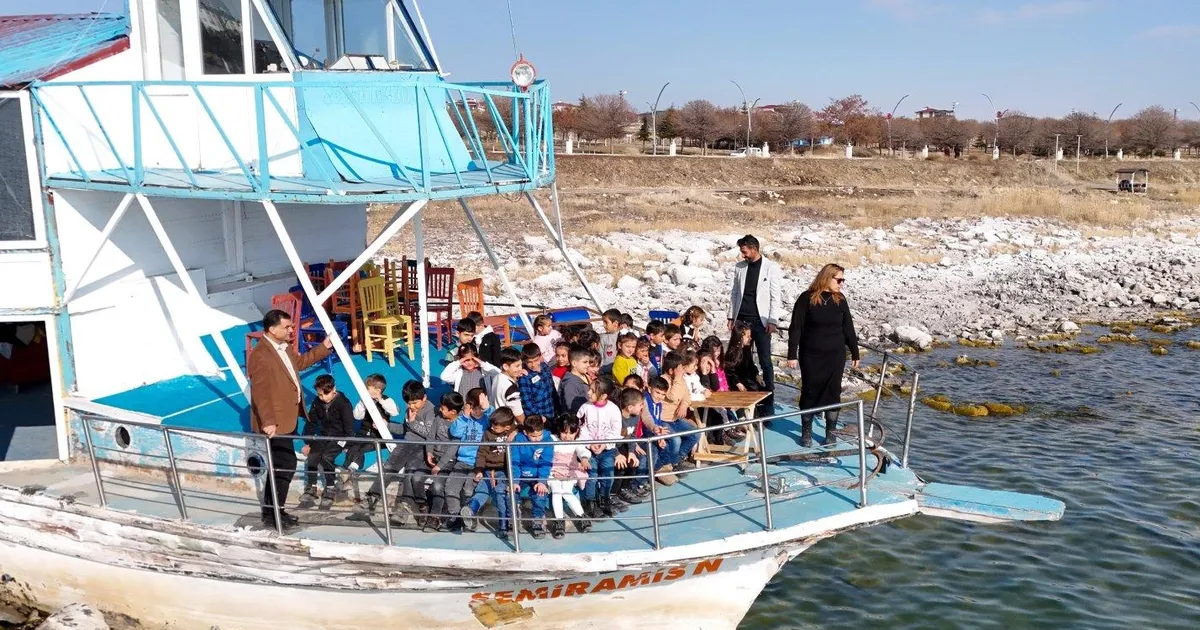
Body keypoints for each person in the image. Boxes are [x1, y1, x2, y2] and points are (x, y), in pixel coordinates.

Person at [247, 309, 332, 530]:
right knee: (285, 464)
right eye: (287, 327)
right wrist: (268, 422)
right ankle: (275, 514)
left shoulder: (284, 348)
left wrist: (324, 348)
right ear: (272, 329)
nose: (292, 330)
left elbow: (301, 363)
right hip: (275, 422)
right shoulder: (260, 356)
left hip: (287, 418)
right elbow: (260, 392)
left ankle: (273, 512)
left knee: (279, 466)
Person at [787, 264, 861, 448]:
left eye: (843, 280)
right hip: (810, 354)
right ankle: (806, 432)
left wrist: (855, 351)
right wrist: (791, 354)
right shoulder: (806, 298)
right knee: (810, 390)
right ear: (827, 278)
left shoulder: (840, 300)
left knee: (833, 392)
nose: (842, 283)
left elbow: (848, 328)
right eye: (839, 280)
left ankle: (831, 433)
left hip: (835, 355)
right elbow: (796, 327)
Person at [726, 234, 784, 413]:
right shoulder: (740, 267)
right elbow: (735, 292)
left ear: (753, 248)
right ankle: (742, 397)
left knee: (766, 361)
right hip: (741, 319)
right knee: (738, 359)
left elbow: (776, 295)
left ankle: (768, 403)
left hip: (762, 321)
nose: (742, 255)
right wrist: (731, 317)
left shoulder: (771, 267)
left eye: (744, 251)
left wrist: (773, 320)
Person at [461, 407, 518, 537]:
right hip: (488, 470)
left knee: (500, 494)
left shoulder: (513, 433)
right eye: (492, 425)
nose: (492, 428)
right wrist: (480, 470)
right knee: (482, 490)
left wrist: (516, 430)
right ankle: (471, 510)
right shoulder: (488, 434)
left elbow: (523, 425)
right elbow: (482, 452)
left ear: (507, 427)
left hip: (504, 471)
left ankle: (504, 524)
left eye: (496, 427)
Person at [300, 374, 354, 509]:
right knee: (313, 454)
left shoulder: (344, 404)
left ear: (334, 389)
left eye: (325, 394)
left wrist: (347, 444)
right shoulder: (317, 402)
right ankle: (311, 487)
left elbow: (348, 426)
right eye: (319, 394)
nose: (322, 397)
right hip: (324, 435)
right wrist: (308, 442)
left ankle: (330, 487)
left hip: (339, 437)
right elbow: (311, 422)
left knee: (326, 457)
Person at [445, 388, 488, 532]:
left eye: (480, 408)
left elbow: (496, 418)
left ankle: (470, 518)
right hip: (462, 461)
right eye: (474, 407)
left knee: (468, 490)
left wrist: (486, 408)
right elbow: (454, 432)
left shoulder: (488, 419)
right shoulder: (464, 419)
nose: (477, 411)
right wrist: (464, 416)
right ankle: (455, 517)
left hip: (478, 463)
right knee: (451, 488)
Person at [578, 377, 622, 518]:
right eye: (589, 389)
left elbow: (615, 431)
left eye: (592, 390)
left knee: (608, 475)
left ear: (603, 395)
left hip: (607, 451)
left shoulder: (613, 410)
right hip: (589, 450)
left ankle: (604, 498)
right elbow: (580, 429)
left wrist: (604, 444)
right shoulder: (585, 408)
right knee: (592, 475)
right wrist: (589, 444)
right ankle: (590, 501)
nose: (589, 393)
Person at [510, 414, 554, 538]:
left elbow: (546, 463)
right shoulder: (518, 440)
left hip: (537, 476)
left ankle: (537, 520)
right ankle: (514, 518)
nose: (537, 439)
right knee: (511, 492)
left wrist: (541, 481)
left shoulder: (547, 440)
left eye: (539, 435)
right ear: (525, 432)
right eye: (533, 436)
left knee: (541, 493)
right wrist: (515, 481)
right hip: (521, 474)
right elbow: (515, 462)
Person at [548, 415, 591, 538]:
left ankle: (582, 517)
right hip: (553, 473)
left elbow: (583, 451)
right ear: (559, 430)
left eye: (571, 433)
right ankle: (559, 521)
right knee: (556, 491)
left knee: (567, 492)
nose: (567, 436)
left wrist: (584, 459)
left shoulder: (575, 442)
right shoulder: (552, 439)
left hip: (568, 472)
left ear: (576, 431)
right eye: (564, 432)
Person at [614, 387, 649, 504]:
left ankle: (625, 488)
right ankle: (612, 494)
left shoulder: (636, 416)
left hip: (624, 443)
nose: (642, 407)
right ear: (630, 408)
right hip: (612, 446)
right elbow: (608, 438)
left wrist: (631, 452)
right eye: (640, 405)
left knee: (633, 462)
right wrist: (617, 454)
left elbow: (632, 435)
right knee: (620, 466)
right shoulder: (616, 417)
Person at [517, 343, 558, 419]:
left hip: (552, 411)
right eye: (529, 362)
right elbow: (527, 402)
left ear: (540, 357)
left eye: (536, 360)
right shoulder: (525, 377)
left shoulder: (545, 367)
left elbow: (552, 388)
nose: (533, 365)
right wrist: (539, 416)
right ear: (524, 361)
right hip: (539, 417)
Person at [488, 348, 526, 424]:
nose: (520, 368)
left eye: (521, 365)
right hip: (508, 424)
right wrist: (526, 426)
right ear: (505, 366)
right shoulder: (511, 388)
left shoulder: (497, 377)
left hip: (497, 419)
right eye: (517, 366)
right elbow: (518, 413)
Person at [558, 347, 591, 415]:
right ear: (574, 363)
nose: (588, 365)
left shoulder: (584, 375)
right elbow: (572, 406)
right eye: (585, 362)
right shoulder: (570, 383)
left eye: (589, 362)